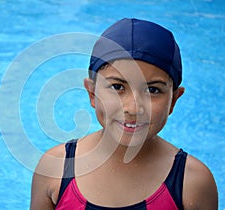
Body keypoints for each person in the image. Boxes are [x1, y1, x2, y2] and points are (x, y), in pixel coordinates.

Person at [30, 18, 218, 210]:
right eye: (117, 87)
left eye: (152, 90)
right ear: (92, 93)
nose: (133, 108)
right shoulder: (56, 169)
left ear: (174, 101)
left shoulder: (192, 183)